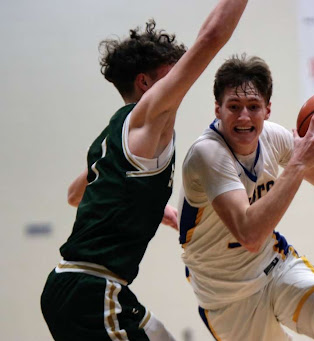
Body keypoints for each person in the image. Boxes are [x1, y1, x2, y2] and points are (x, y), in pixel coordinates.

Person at [40, 1, 249, 340]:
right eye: (171, 76)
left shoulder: (113, 135)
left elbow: (75, 194)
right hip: (91, 290)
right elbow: (211, 37)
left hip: (83, 286)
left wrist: (153, 208)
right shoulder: (148, 118)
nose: (179, 82)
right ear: (145, 83)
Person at [178, 54, 314, 341]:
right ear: (217, 109)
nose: (244, 116)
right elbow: (250, 235)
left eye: (253, 106)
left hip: (277, 266)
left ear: (267, 110)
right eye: (234, 107)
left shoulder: (274, 137)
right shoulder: (208, 154)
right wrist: (298, 165)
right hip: (226, 296)